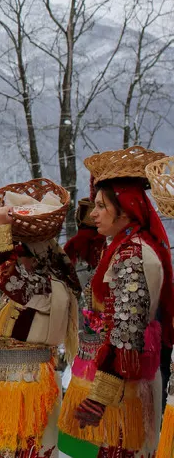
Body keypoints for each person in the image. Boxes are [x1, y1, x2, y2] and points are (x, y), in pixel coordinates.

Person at [58, 176, 173, 458]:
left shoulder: (132, 254)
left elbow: (126, 332)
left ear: (125, 210)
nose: (93, 213)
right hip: (117, 384)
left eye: (101, 206)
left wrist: (99, 398)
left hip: (120, 391)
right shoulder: (123, 245)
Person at [0, 184, 81, 458]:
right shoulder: (20, 293)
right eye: (16, 253)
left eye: (22, 254)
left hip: (27, 392)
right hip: (0, 391)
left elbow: (10, 276)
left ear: (40, 254)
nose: (17, 259)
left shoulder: (48, 286)